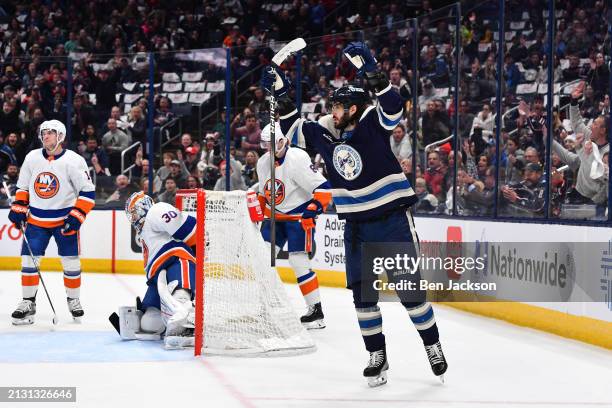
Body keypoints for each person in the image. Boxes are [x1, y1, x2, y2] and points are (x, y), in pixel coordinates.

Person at [262, 41, 447, 387]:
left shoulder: (372, 124)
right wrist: (282, 93)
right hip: (356, 228)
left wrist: (375, 75)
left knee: (410, 294)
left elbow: (394, 105)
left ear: (356, 107)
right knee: (363, 298)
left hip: (392, 223)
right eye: (332, 106)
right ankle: (377, 356)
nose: (334, 111)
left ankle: (432, 344)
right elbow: (292, 124)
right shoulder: (323, 135)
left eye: (341, 106)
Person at [8, 120, 95, 324]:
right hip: (36, 221)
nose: (45, 135)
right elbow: (22, 188)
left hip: (64, 221)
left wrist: (77, 216)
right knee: (29, 262)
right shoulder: (32, 158)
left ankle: (74, 300)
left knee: (71, 262)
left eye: (50, 132)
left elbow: (88, 192)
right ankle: (28, 302)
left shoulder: (74, 160)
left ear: (61, 136)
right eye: (43, 132)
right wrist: (19, 207)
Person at [257, 122, 331, 329]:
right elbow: (265, 194)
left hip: (299, 216)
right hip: (275, 217)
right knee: (262, 258)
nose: (269, 149)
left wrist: (313, 210)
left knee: (298, 261)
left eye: (272, 144)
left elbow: (324, 188)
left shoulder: (297, 158)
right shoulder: (263, 163)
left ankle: (315, 311)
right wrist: (255, 213)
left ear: (282, 141)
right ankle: (265, 307)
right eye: (265, 145)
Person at [120, 192, 198, 348]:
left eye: (134, 213)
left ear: (144, 206)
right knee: (149, 324)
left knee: (180, 297)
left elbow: (190, 230)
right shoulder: (143, 234)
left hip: (177, 261)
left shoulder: (156, 211)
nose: (133, 218)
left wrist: (201, 250)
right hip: (157, 276)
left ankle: (188, 326)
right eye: (131, 215)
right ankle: (175, 321)